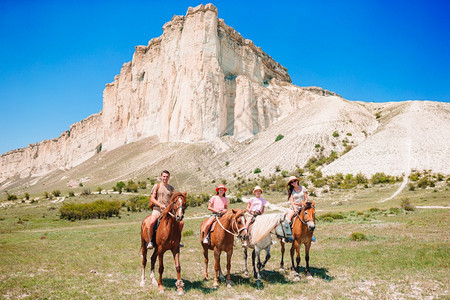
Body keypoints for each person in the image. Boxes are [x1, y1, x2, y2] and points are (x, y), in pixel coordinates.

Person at [147, 170, 184, 249]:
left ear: (169, 177)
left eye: (167, 177)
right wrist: (160, 205)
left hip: (167, 210)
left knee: (181, 223)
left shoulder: (171, 188)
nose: (165, 178)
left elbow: (175, 199)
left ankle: (177, 240)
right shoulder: (156, 186)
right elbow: (152, 199)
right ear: (161, 177)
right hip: (157, 209)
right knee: (152, 222)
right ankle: (150, 241)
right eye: (164, 176)